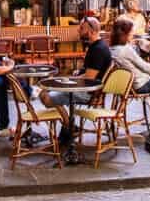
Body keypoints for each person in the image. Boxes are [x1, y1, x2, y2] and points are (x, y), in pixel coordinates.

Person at [40, 16, 112, 144]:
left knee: (45, 97)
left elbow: (89, 78)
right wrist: (78, 73)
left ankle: (69, 126)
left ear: (92, 31)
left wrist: (68, 80)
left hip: (88, 92)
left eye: (82, 28)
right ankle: (70, 126)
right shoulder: (95, 46)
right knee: (45, 92)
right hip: (85, 87)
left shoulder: (98, 50)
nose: (78, 31)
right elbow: (87, 71)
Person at [109, 17, 150, 94]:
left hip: (126, 86)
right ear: (125, 34)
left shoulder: (111, 49)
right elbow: (146, 68)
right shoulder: (126, 50)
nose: (133, 34)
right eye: (131, 31)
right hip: (140, 84)